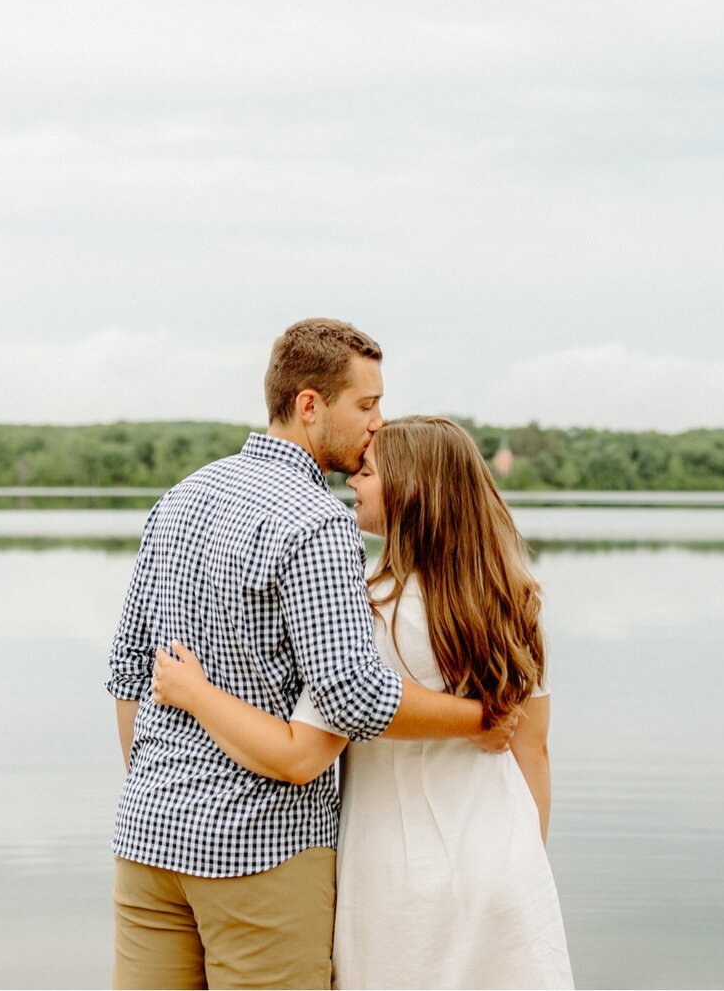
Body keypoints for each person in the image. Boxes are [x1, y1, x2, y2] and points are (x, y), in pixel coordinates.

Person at [105, 319, 512, 990]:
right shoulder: (315, 521)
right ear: (309, 405)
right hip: (259, 853)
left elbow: (127, 674)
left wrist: (163, 793)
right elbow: (353, 694)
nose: (378, 424)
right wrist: (480, 717)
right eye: (367, 403)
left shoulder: (178, 499)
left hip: (148, 840)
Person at [154, 415, 572, 990]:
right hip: (506, 868)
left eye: (369, 472)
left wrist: (195, 694)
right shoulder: (516, 601)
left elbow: (299, 755)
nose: (353, 481)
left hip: (395, 878)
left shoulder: (365, 612)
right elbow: (535, 750)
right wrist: (524, 857)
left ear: (410, 491)